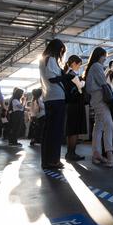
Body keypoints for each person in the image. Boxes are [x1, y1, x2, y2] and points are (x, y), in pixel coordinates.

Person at [39, 39, 71, 170]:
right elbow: (53, 79)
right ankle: (53, 161)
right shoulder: (51, 59)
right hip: (56, 97)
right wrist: (66, 76)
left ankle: (47, 161)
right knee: (56, 132)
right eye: (61, 51)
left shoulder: (43, 60)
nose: (61, 54)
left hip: (48, 98)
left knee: (49, 132)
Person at [84, 47, 113, 167]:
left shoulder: (92, 67)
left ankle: (96, 153)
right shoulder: (97, 66)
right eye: (104, 56)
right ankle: (109, 155)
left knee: (98, 126)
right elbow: (103, 83)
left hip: (95, 99)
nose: (105, 59)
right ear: (99, 55)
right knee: (109, 124)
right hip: (100, 99)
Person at [64, 55, 87, 161]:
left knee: (71, 131)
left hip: (69, 105)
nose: (79, 67)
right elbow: (80, 87)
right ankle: (72, 153)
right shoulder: (72, 74)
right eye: (79, 65)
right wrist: (83, 81)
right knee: (74, 130)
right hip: (75, 104)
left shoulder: (67, 73)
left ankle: (70, 153)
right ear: (73, 63)